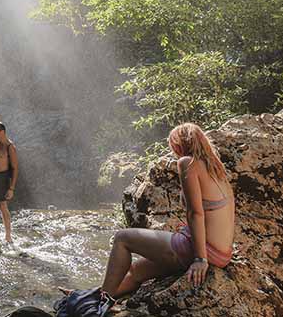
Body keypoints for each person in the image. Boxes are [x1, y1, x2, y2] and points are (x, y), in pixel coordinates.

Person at [97, 123, 235, 304]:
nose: (174, 151)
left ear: (180, 144)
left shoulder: (188, 162)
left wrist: (200, 258)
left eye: (173, 146)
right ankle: (91, 295)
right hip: (223, 254)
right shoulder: (216, 169)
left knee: (122, 238)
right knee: (135, 272)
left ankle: (95, 304)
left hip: (203, 251)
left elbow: (195, 213)